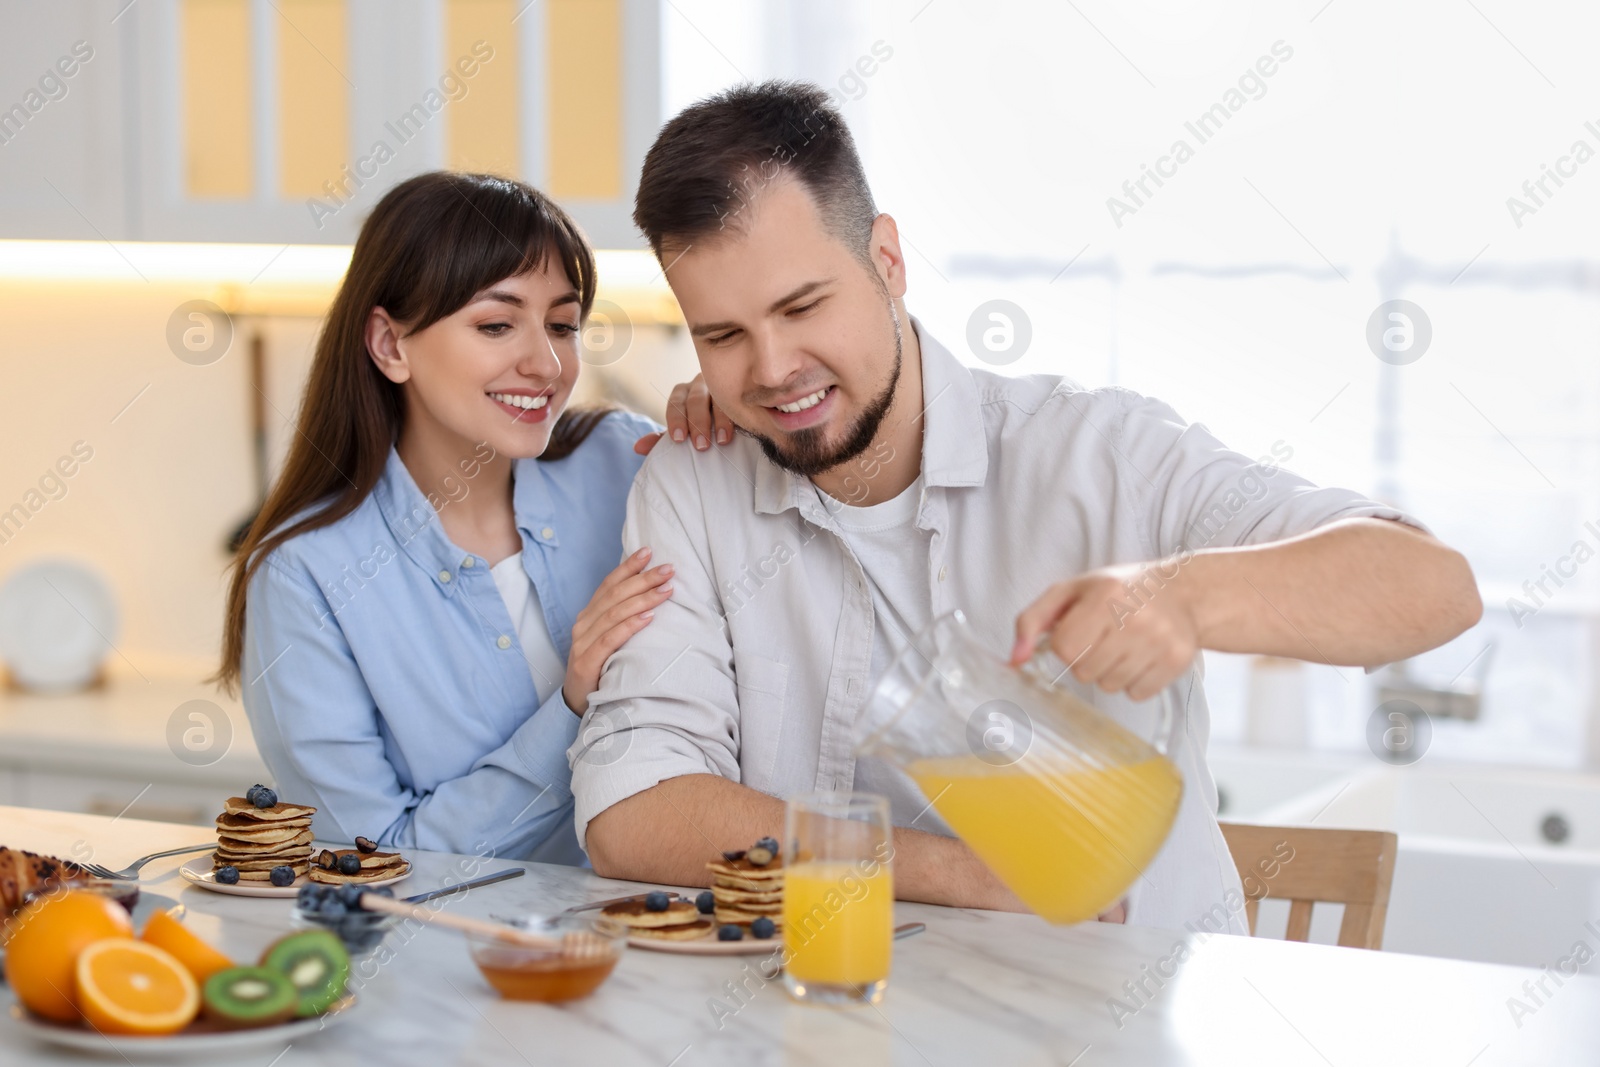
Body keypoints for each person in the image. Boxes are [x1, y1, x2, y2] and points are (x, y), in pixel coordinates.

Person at [568, 82, 1483, 930]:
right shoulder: (694, 484)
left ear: (887, 260)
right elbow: (632, 809)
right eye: (723, 335)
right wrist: (966, 873)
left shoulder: (1097, 453)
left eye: (803, 307)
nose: (770, 370)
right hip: (846, 1018)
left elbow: (1432, 590)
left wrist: (1190, 596)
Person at [214, 171, 724, 862]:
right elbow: (377, 860)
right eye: (496, 324)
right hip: (452, 962)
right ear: (391, 345)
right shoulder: (305, 576)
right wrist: (571, 703)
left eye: (563, 326)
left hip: (680, 935)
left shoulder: (622, 462)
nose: (546, 363)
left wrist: (738, 425)